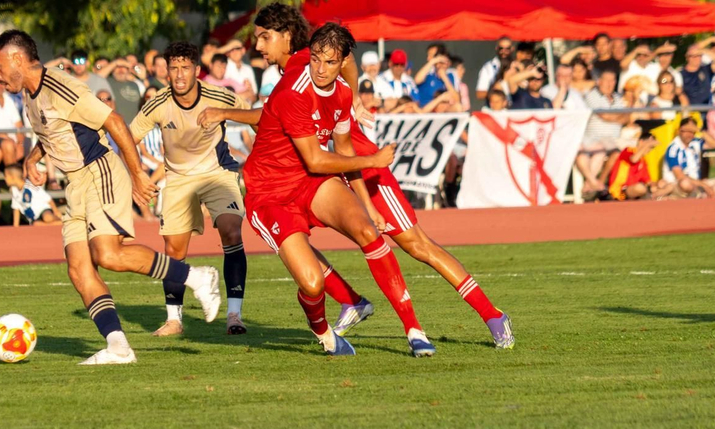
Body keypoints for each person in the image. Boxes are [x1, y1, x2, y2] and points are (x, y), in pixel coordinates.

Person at [209, 23, 513, 349]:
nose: (258, 45)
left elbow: (344, 80)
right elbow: (271, 117)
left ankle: (490, 314)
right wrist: (224, 112)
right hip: (323, 174)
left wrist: (353, 96)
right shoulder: (294, 79)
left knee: (417, 245)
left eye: (264, 35)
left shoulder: (305, 63)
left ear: (285, 35)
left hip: (363, 170)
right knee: (299, 245)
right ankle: (353, 303)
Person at [0, 29, 221, 365]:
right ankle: (118, 347)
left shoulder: (60, 86)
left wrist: (138, 173)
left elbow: (112, 120)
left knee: (108, 255)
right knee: (79, 269)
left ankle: (197, 277)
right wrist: (33, 157)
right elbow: (54, 130)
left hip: (100, 172)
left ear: (17, 59)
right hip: (74, 184)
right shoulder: (29, 93)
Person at [232, 3, 429, 357]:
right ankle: (326, 336)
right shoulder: (294, 88)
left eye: (330, 61)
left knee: (368, 231)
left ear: (342, 63)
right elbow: (317, 158)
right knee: (312, 282)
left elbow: (342, 148)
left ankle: (414, 330)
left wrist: (369, 208)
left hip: (307, 181)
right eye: (316, 59)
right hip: (269, 193)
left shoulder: (338, 91)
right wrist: (375, 158)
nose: (321, 68)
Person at [128, 41, 250, 336]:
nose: (180, 74)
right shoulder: (157, 103)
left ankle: (234, 315)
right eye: (174, 68)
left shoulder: (219, 96)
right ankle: (174, 320)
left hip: (217, 173)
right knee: (173, 249)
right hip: (178, 178)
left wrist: (266, 155)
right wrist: (136, 176)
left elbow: (258, 116)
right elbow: (126, 137)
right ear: (166, 72)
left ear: (197, 70)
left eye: (185, 67)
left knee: (231, 231)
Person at [662, 117, 715, 197]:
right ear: (679, 131)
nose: (689, 134)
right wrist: (704, 185)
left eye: (692, 131)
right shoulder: (673, 148)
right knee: (685, 183)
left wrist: (700, 130)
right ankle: (702, 195)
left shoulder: (695, 143)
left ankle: (702, 195)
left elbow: (714, 144)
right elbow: (680, 176)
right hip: (678, 184)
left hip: (697, 183)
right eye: (686, 131)